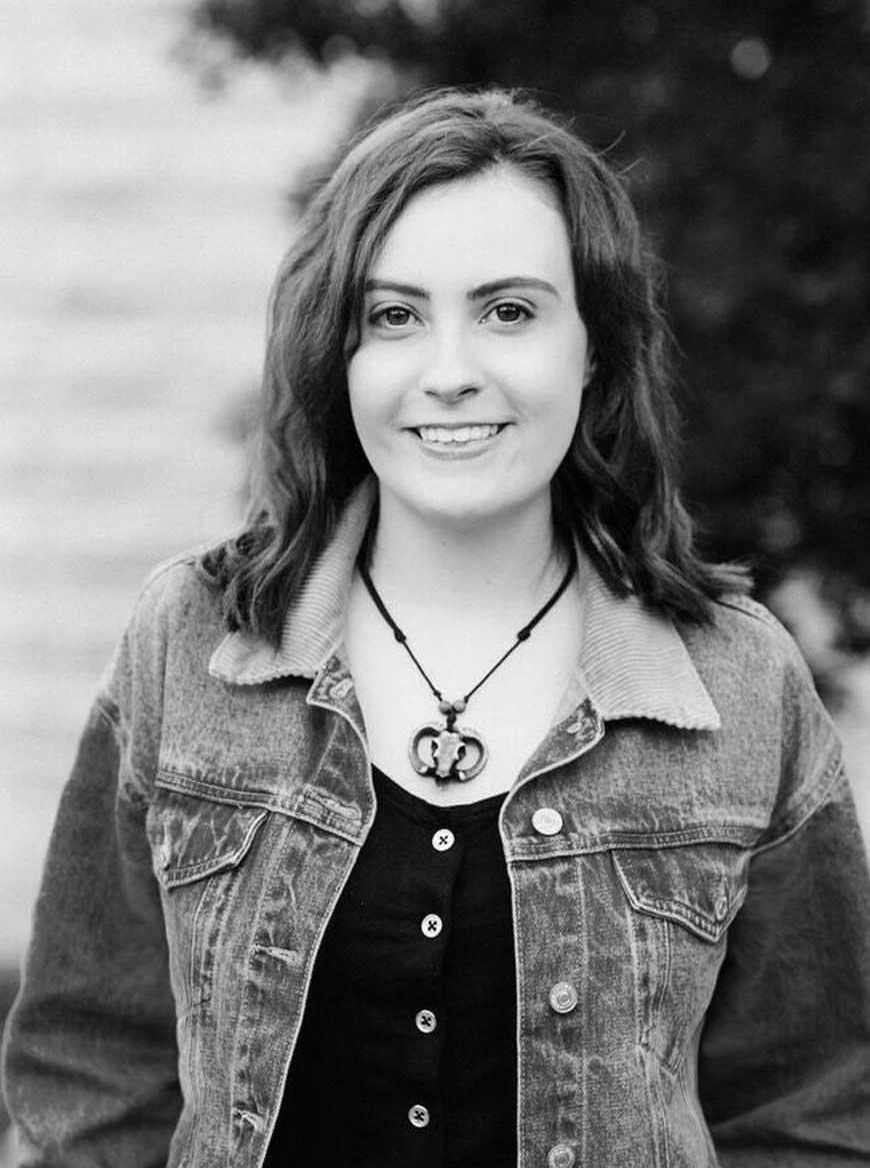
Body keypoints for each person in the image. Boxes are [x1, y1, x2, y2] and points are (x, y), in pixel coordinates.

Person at [3, 87, 869, 1168]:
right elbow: (92, 1089)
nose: (449, 371)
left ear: (593, 347)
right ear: (340, 354)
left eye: (509, 311)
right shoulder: (192, 642)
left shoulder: (737, 681)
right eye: (394, 315)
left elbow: (811, 1118)